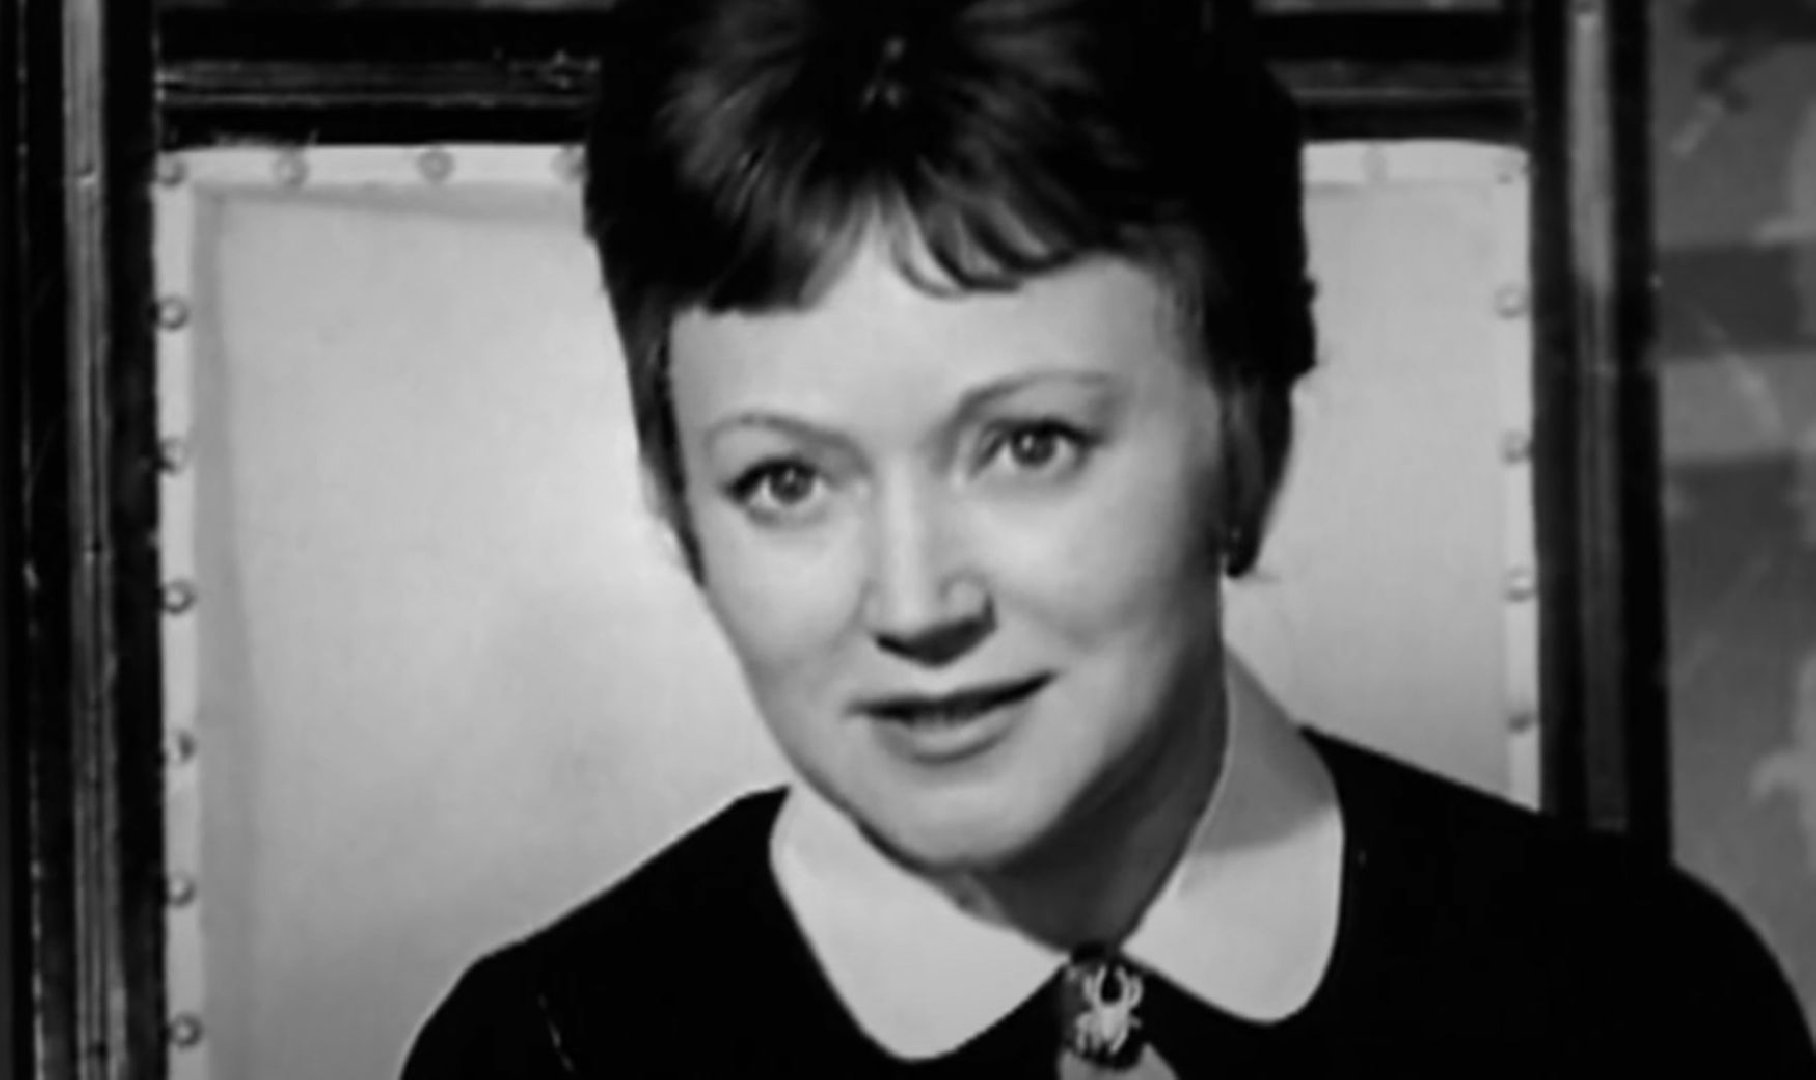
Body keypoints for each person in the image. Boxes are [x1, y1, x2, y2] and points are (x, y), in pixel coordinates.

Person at [401, 0, 1816, 1074]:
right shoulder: (544, 1055)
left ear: (1249, 432)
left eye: (1030, 446)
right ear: (675, 505)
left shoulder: (1639, 1005)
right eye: (785, 481)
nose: (914, 602)